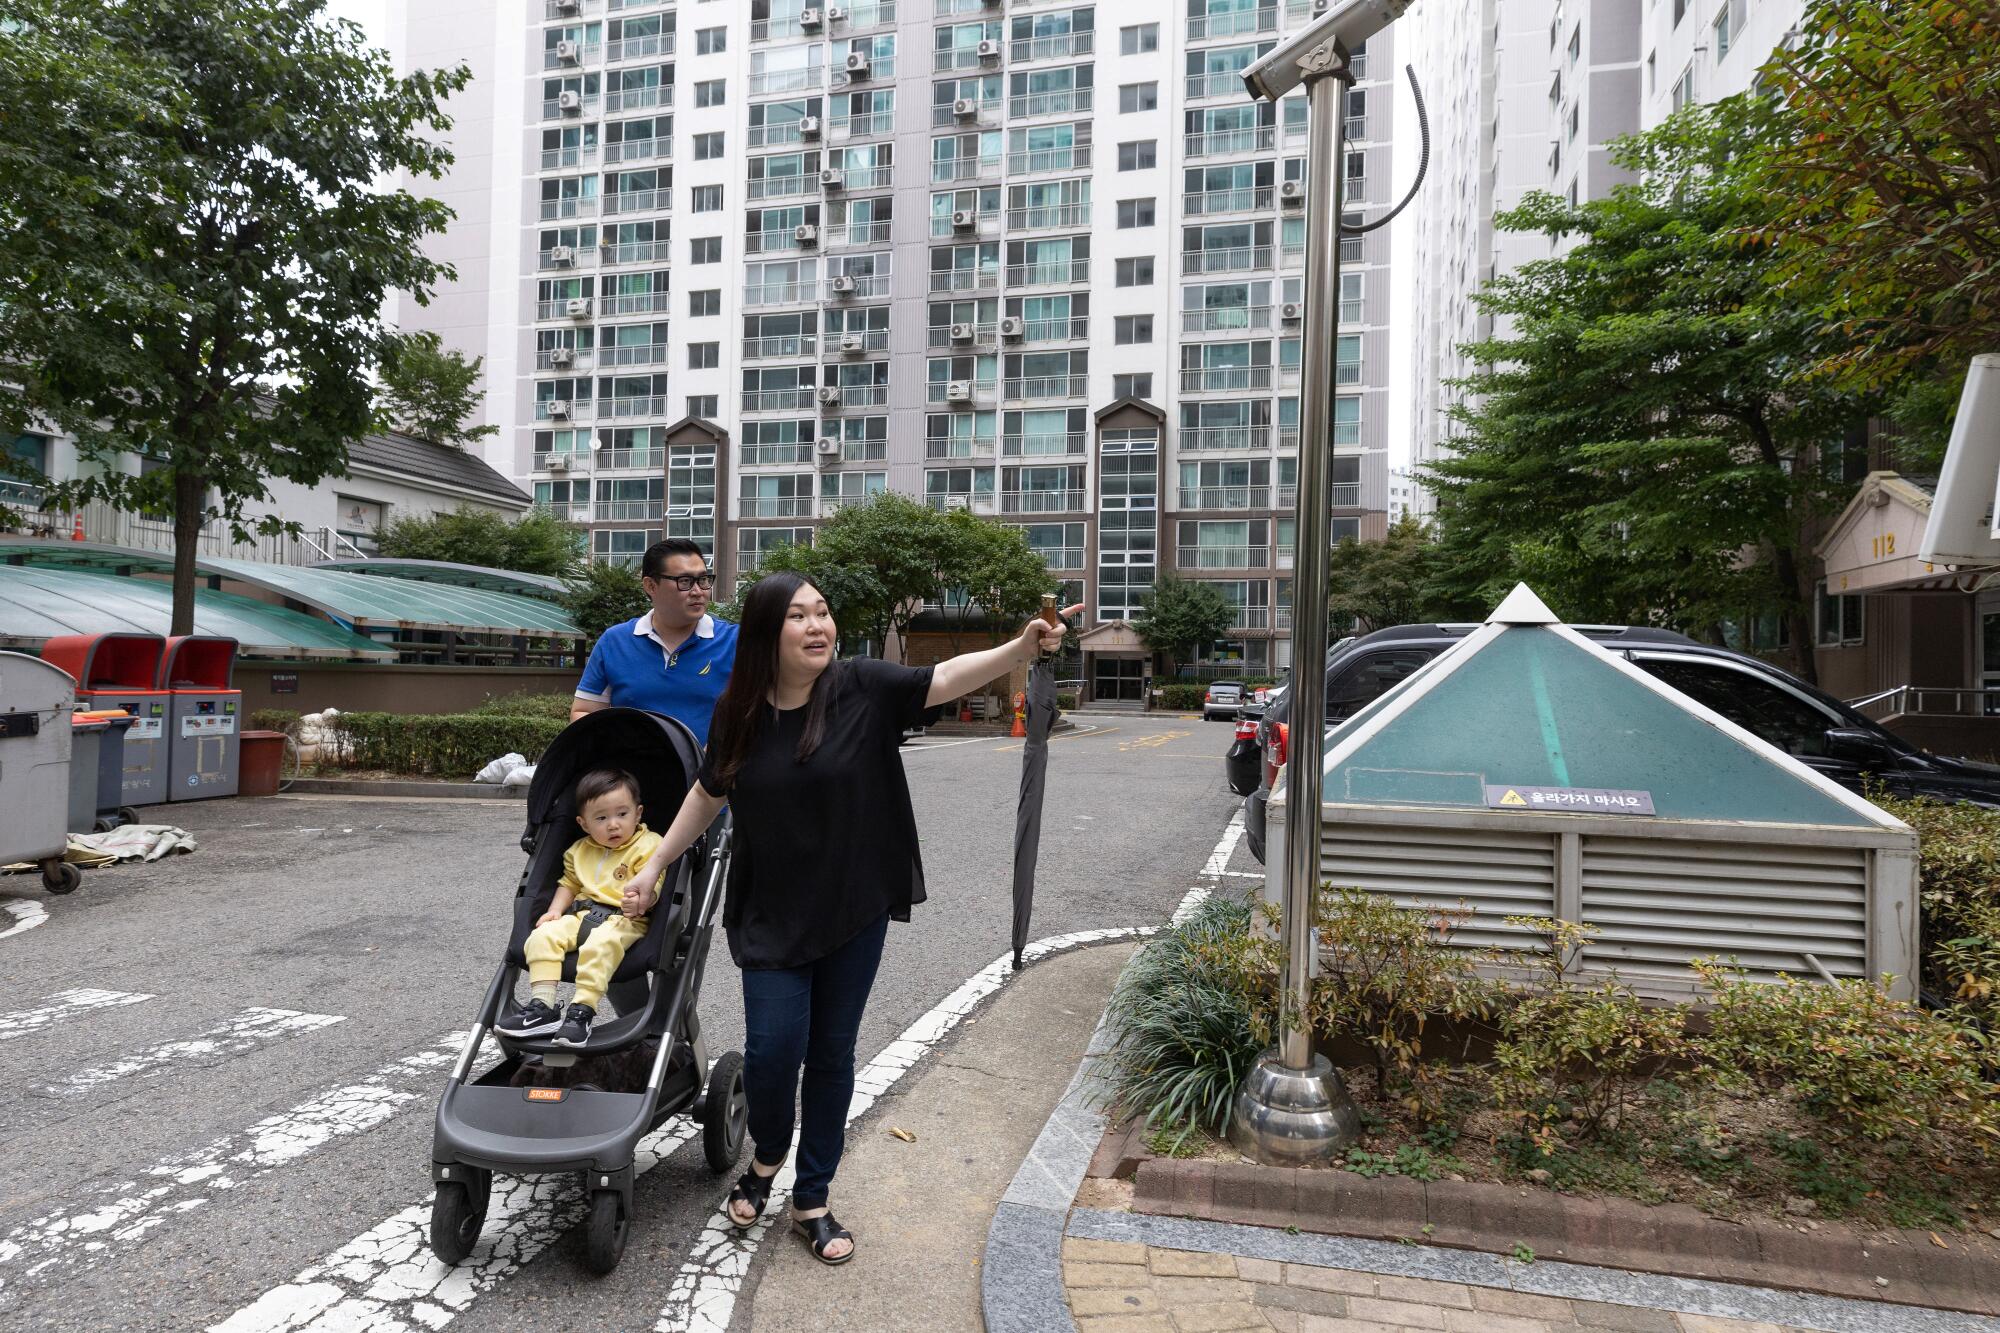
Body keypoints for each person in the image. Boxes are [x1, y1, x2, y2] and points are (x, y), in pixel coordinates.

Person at [626, 573, 1077, 1266]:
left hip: (853, 906)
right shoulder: (739, 711)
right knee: (774, 1052)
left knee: (832, 1053)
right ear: (767, 632)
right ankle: (769, 1151)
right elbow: (710, 789)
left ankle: (812, 1195)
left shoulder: (861, 687)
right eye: (799, 616)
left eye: (824, 613)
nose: (818, 626)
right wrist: (655, 864)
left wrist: (1019, 647)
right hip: (773, 909)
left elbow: (943, 675)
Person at [497, 768, 665, 1048]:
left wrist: (643, 900)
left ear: (638, 814)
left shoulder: (649, 845)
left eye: (622, 814)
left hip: (625, 919)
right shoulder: (579, 850)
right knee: (541, 937)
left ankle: (581, 1012)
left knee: (600, 945)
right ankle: (543, 1007)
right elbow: (569, 884)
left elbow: (655, 880)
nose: (613, 825)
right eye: (601, 818)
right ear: (584, 824)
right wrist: (554, 911)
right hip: (582, 914)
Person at [572, 538, 738, 747]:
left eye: (703, 579)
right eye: (685, 581)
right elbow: (584, 711)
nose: (698, 591)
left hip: (708, 776)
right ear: (651, 586)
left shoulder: (735, 642)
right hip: (634, 774)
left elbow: (757, 715)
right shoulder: (615, 642)